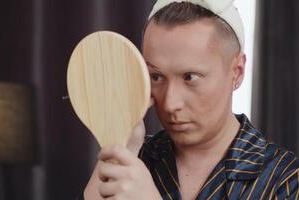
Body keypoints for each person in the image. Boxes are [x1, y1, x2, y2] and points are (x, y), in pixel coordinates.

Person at [82, 0, 299, 199]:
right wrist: (121, 145)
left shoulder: (286, 180)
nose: (170, 103)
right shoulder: (136, 159)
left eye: (190, 77)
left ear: (238, 72)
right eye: (156, 77)